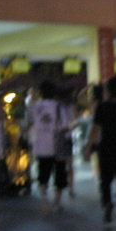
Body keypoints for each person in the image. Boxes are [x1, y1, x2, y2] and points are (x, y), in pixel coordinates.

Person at [83, 76, 116, 223]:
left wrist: (88, 147)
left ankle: (107, 203)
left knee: (105, 180)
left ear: (108, 91)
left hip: (106, 147)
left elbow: (95, 130)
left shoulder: (102, 108)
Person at [27, 80, 70, 212]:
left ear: (40, 92)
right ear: (54, 93)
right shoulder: (60, 107)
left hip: (41, 145)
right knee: (60, 175)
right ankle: (56, 203)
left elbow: (29, 124)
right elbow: (65, 127)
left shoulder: (33, 107)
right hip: (58, 146)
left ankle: (44, 201)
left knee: (43, 175)